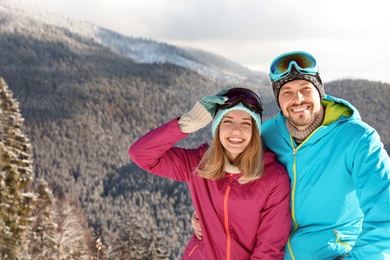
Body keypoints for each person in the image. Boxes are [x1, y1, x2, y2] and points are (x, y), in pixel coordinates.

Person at [191, 51, 390, 259]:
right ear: (278, 99)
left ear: (319, 92)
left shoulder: (358, 140)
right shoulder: (267, 136)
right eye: (287, 92)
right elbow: (229, 176)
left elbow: (385, 215)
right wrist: (204, 212)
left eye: (306, 88)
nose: (298, 99)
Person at [129, 87, 291, 259]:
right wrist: (188, 122)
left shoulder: (274, 177)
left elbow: (269, 247)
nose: (236, 130)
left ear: (255, 131)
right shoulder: (197, 165)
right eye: (228, 121)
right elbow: (140, 154)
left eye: (246, 123)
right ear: (217, 128)